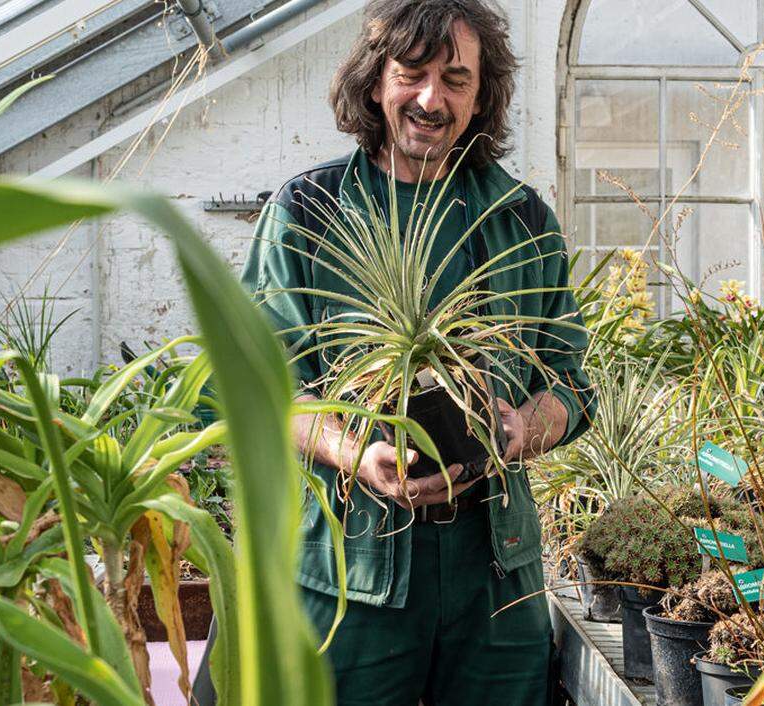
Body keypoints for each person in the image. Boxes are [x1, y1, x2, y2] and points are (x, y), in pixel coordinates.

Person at [193, 1, 596, 703]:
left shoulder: (521, 218)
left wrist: (523, 428)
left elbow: (572, 383)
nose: (431, 98)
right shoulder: (310, 212)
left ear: (481, 95)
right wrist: (356, 454)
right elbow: (260, 390)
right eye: (412, 73)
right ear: (376, 81)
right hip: (350, 569)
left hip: (494, 574)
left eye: (456, 79)